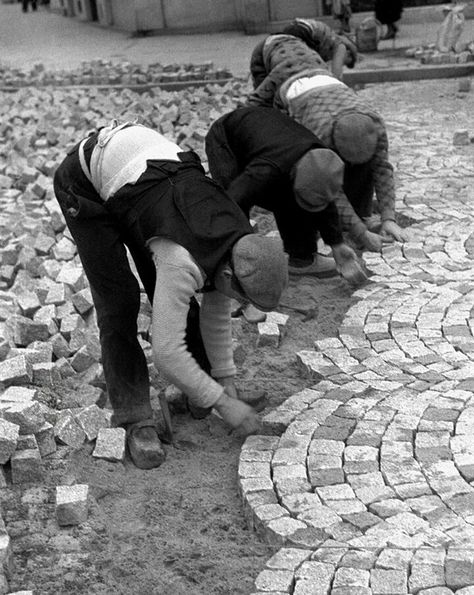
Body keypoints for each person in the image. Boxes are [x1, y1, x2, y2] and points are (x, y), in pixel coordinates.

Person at [53, 121, 288, 469]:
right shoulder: (181, 259)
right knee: (119, 302)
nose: (241, 305)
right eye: (243, 297)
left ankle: (200, 391)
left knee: (179, 297)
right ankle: (134, 417)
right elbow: (166, 352)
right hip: (87, 181)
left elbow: (217, 312)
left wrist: (226, 386)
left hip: (149, 189)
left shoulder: (239, 242)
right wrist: (226, 405)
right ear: (229, 274)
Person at [247, 36, 407, 250]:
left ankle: (361, 213)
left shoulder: (375, 122)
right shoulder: (317, 131)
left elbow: (382, 167)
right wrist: (359, 233)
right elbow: (330, 187)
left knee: (359, 173)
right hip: (284, 78)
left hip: (320, 76)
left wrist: (389, 219)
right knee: (300, 167)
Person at [205, 106, 367, 286]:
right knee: (239, 207)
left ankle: (301, 259)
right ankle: (233, 274)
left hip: (272, 138)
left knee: (297, 198)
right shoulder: (265, 170)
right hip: (226, 139)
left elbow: (323, 200)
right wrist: (245, 254)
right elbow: (232, 203)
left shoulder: (320, 160)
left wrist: (337, 244)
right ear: (293, 174)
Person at [250, 18, 357, 87]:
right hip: (304, 32)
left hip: (296, 28)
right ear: (349, 53)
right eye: (346, 62)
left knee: (286, 63)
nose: (343, 63)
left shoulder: (330, 40)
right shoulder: (341, 46)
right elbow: (337, 74)